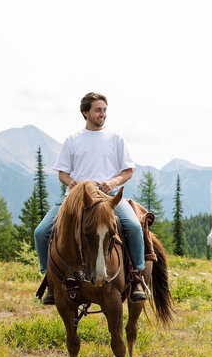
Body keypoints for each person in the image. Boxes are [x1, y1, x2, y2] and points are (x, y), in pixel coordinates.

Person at [34, 92, 147, 304]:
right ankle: (49, 278)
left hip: (108, 196)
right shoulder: (72, 140)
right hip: (76, 198)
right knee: (40, 232)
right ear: (86, 112)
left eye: (104, 110)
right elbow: (62, 173)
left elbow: (128, 171)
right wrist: (71, 183)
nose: (102, 114)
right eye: (98, 110)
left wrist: (113, 182)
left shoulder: (116, 139)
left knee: (132, 226)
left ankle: (136, 276)